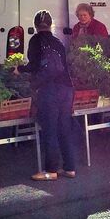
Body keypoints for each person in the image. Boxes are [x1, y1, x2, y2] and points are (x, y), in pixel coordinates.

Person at [25, 10, 77, 181]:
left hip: (50, 89)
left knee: (50, 130)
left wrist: (20, 69)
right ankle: (69, 168)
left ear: (35, 25)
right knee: (64, 128)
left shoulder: (36, 40)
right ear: (51, 24)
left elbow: (33, 66)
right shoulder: (58, 42)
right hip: (67, 88)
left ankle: (51, 171)